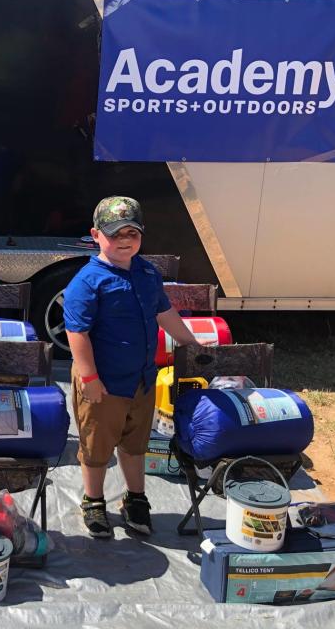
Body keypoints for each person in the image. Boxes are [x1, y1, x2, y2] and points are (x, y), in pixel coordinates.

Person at [63, 196, 200, 538]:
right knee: (96, 447)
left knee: (135, 443)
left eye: (132, 233)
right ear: (96, 235)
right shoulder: (88, 281)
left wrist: (191, 344)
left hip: (141, 380)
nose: (124, 240)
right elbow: (76, 332)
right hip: (103, 384)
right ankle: (94, 500)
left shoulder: (147, 273)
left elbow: (164, 312)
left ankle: (135, 497)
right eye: (115, 233)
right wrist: (89, 378)